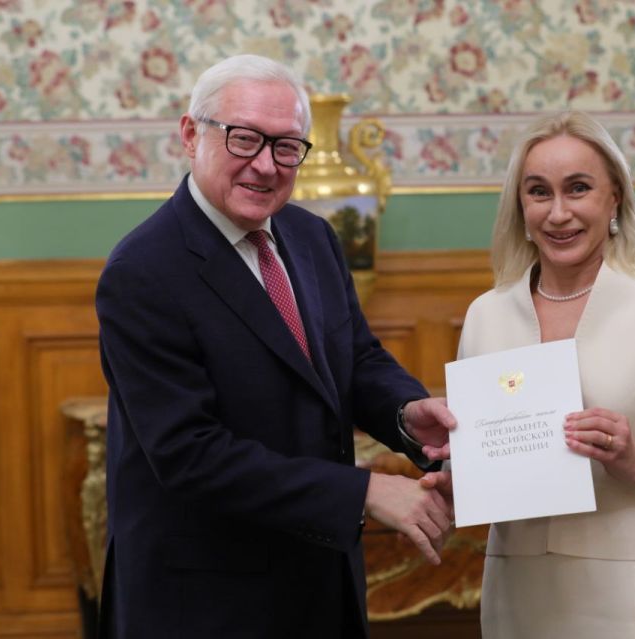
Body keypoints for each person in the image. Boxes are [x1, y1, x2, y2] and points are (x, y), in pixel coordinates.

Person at [95, 54, 455, 639]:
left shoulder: (312, 236)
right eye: (244, 139)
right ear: (190, 135)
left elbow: (354, 357)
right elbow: (190, 454)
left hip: (319, 579)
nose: (265, 165)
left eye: (287, 147)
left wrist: (406, 414)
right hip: (205, 599)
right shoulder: (142, 271)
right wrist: (364, 491)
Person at [433, 111, 635, 638]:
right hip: (518, 587)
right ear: (520, 205)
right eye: (539, 192)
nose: (558, 213)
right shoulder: (486, 314)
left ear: (615, 199)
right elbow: (482, 456)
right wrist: (454, 480)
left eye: (578, 188)